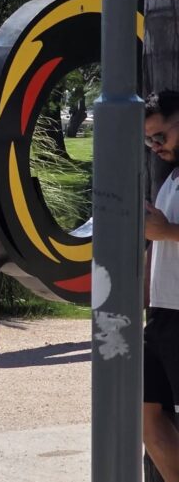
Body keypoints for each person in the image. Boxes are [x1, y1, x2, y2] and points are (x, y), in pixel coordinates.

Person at [143, 89, 179, 481]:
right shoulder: (171, 177)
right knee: (146, 414)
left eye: (159, 137)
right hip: (162, 313)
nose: (154, 147)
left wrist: (167, 231)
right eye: (149, 141)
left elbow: (167, 234)